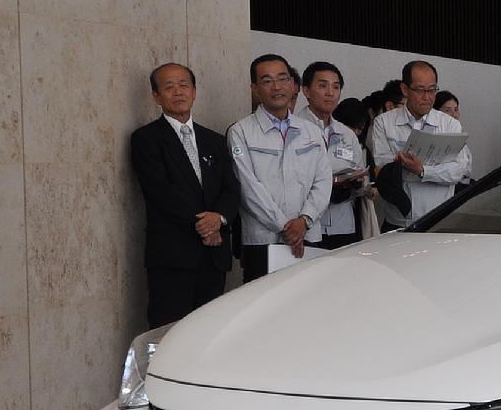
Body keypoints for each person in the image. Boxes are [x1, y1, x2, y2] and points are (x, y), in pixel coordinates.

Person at [129, 63, 238, 327]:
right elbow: (161, 192)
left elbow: (231, 188)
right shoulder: (146, 139)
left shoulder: (213, 139)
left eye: (183, 85)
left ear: (194, 91)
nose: (178, 92)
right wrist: (204, 225)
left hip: (213, 258)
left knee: (209, 332)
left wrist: (219, 219)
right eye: (168, 87)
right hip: (172, 256)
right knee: (168, 333)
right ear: (156, 96)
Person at [227, 53, 331, 281]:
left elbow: (323, 182)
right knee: (264, 308)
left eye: (283, 79)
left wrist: (304, 220)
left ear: (293, 85)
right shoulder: (240, 132)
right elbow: (248, 188)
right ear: (255, 88)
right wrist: (285, 227)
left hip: (308, 236)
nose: (277, 87)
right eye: (267, 81)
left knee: (308, 301)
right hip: (263, 241)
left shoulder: (311, 131)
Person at [368, 60, 472, 226]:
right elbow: (384, 168)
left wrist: (423, 170)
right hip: (399, 220)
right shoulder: (384, 122)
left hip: (439, 219)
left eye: (432, 90)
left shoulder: (450, 124)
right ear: (405, 89)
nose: (427, 97)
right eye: (420, 90)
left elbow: (459, 170)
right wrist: (437, 169)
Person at [298, 61, 367, 248]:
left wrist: (356, 185)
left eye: (336, 87)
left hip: (342, 225)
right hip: (306, 226)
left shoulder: (346, 133)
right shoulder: (294, 129)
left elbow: (358, 170)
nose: (330, 92)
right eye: (322, 86)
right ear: (306, 90)